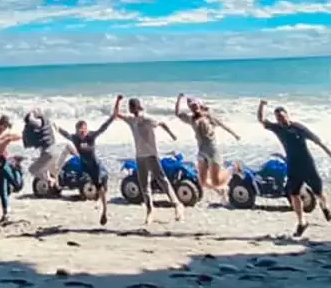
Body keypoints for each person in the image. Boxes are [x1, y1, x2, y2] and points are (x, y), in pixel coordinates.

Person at [258, 99, 331, 237]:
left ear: (287, 115)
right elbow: (261, 120)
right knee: (293, 194)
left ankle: (325, 207)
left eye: (282, 116)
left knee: (318, 192)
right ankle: (301, 222)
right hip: (293, 165)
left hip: (307, 164)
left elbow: (315, 139)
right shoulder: (277, 128)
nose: (280, 119)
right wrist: (261, 105)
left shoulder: (298, 127)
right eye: (278, 117)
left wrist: (327, 151)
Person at [114, 95, 183, 224]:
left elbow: (162, 123)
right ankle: (150, 210)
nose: (131, 109)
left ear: (138, 107)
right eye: (130, 107)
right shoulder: (131, 120)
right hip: (140, 156)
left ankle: (177, 204)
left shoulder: (147, 119)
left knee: (161, 180)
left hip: (152, 154)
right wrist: (118, 101)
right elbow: (116, 114)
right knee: (144, 184)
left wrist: (172, 134)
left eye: (133, 106)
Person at [175, 93, 241, 200]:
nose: (193, 108)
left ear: (200, 105)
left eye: (195, 105)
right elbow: (177, 114)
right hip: (201, 151)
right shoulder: (191, 119)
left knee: (216, 180)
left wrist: (235, 134)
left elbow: (223, 125)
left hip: (212, 151)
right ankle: (220, 190)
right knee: (202, 181)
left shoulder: (209, 116)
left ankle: (233, 168)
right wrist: (179, 99)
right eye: (191, 106)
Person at [56, 111, 116, 226]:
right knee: (78, 180)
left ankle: (104, 212)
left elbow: (103, 128)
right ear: (77, 131)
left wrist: (112, 117)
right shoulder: (75, 138)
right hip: (84, 166)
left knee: (101, 189)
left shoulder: (91, 136)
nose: (82, 133)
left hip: (95, 167)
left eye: (83, 130)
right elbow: (65, 134)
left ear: (86, 129)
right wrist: (56, 127)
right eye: (79, 131)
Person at [24, 108, 76, 194]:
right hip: (55, 150)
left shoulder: (40, 122)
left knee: (32, 169)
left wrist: (30, 114)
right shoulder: (46, 122)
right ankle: (57, 185)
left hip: (49, 152)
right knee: (52, 169)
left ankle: (50, 180)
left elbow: (31, 120)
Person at [0, 114, 23, 223]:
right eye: (2, 125)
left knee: (16, 185)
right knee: (2, 190)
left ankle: (18, 169)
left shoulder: (6, 133)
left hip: (3, 162)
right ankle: (6, 213)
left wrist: (9, 138)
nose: (2, 127)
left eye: (4, 126)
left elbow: (19, 136)